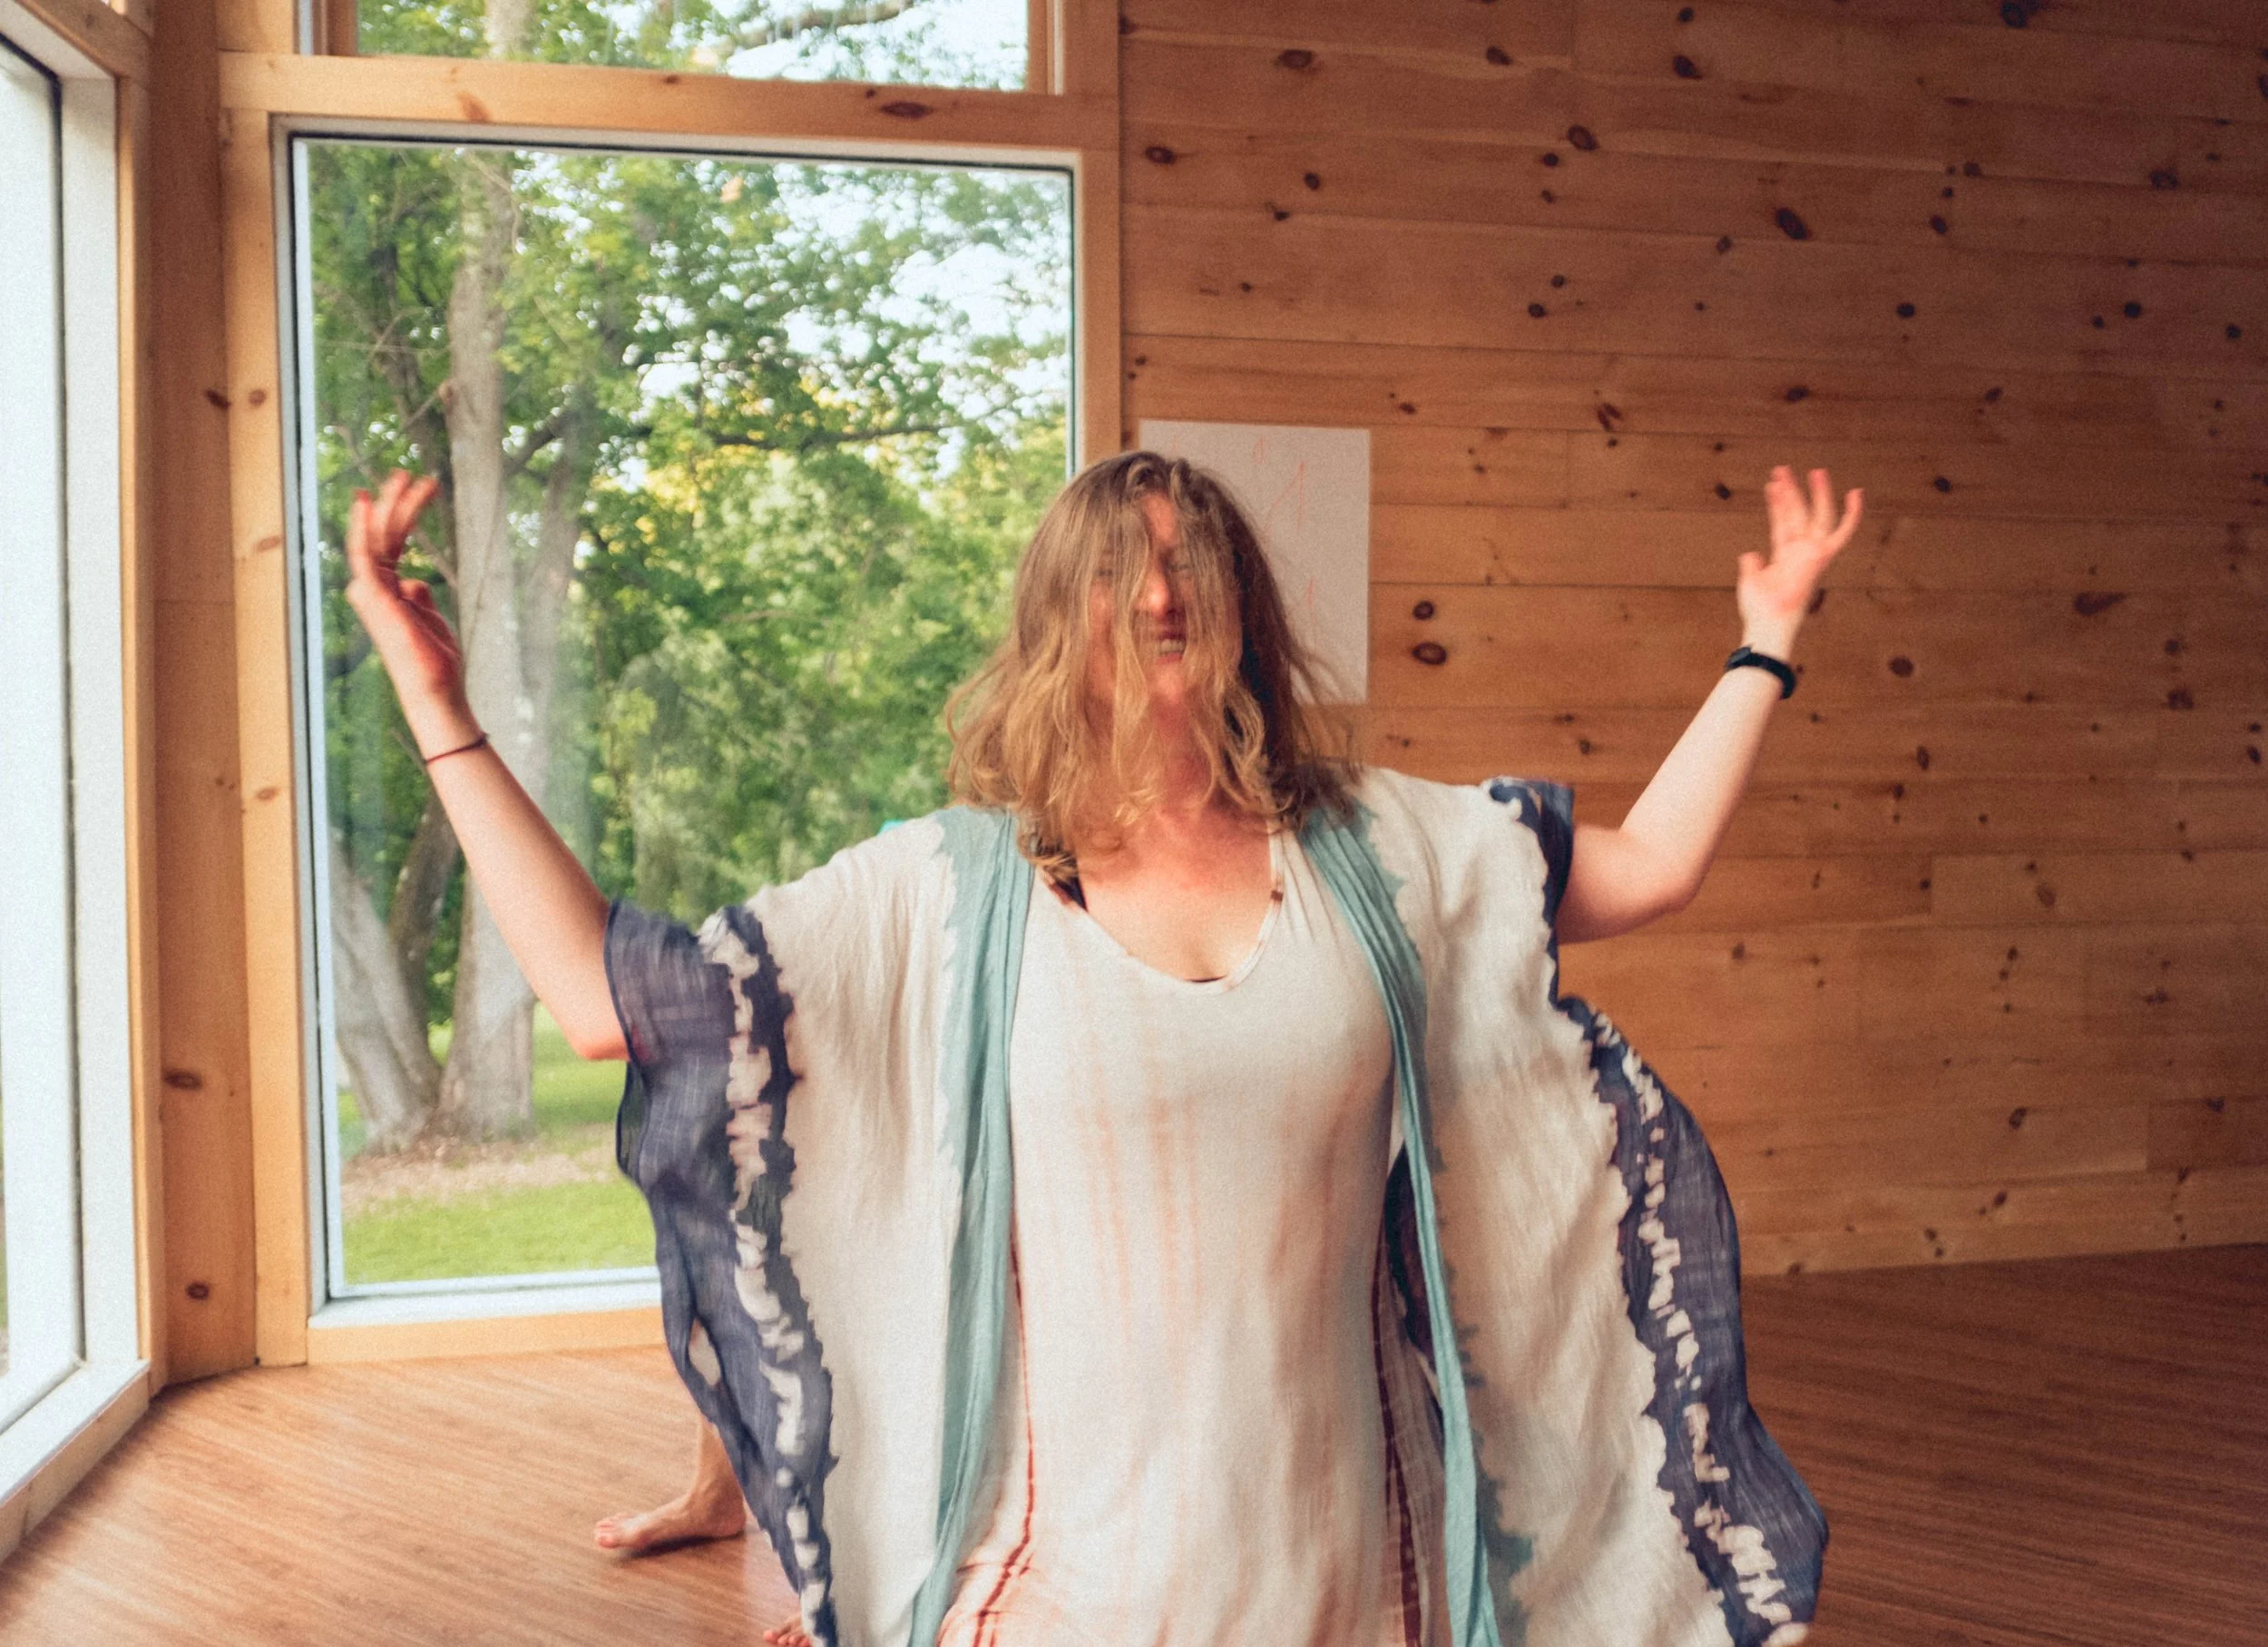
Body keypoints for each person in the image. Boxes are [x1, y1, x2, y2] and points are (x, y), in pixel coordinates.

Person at [346, 452, 1862, 1647]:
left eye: (1186, 561)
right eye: (1116, 573)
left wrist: (1768, 638)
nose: (1155, 596)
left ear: (1243, 602)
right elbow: (615, 995)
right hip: (1073, 1576)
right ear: (1051, 623)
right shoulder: (947, 896)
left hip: (1351, 1567)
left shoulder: (1384, 852)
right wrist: (438, 706)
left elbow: (1653, 864)